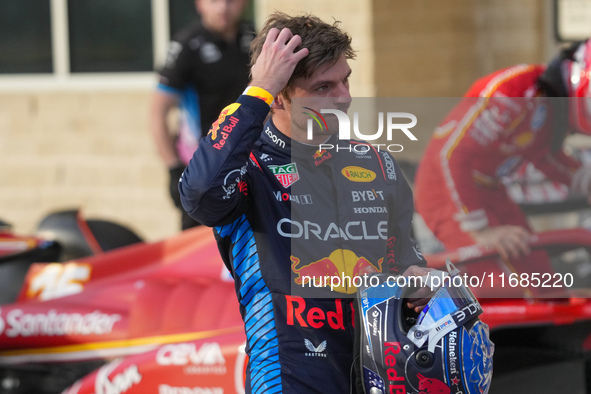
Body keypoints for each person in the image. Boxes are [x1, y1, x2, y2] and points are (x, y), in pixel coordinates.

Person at [179, 12, 432, 393]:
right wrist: (257, 91)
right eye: (324, 87)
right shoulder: (247, 165)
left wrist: (417, 281)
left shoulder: (377, 162)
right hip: (288, 375)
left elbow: (402, 259)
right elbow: (199, 196)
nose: (344, 97)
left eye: (345, 80)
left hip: (379, 373)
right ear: (279, 97)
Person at [414, 40, 591, 292]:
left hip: (490, 190)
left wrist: (585, 182)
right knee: (502, 287)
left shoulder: (550, 103)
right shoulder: (515, 91)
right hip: (445, 190)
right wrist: (482, 232)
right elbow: (453, 155)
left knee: (546, 285)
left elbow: (544, 155)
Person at [150, 0, 253, 230]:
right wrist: (173, 168)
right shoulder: (186, 44)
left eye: (231, 1)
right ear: (199, 4)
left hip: (248, 163)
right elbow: (158, 112)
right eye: (214, 1)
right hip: (203, 168)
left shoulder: (253, 37)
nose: (223, 8)